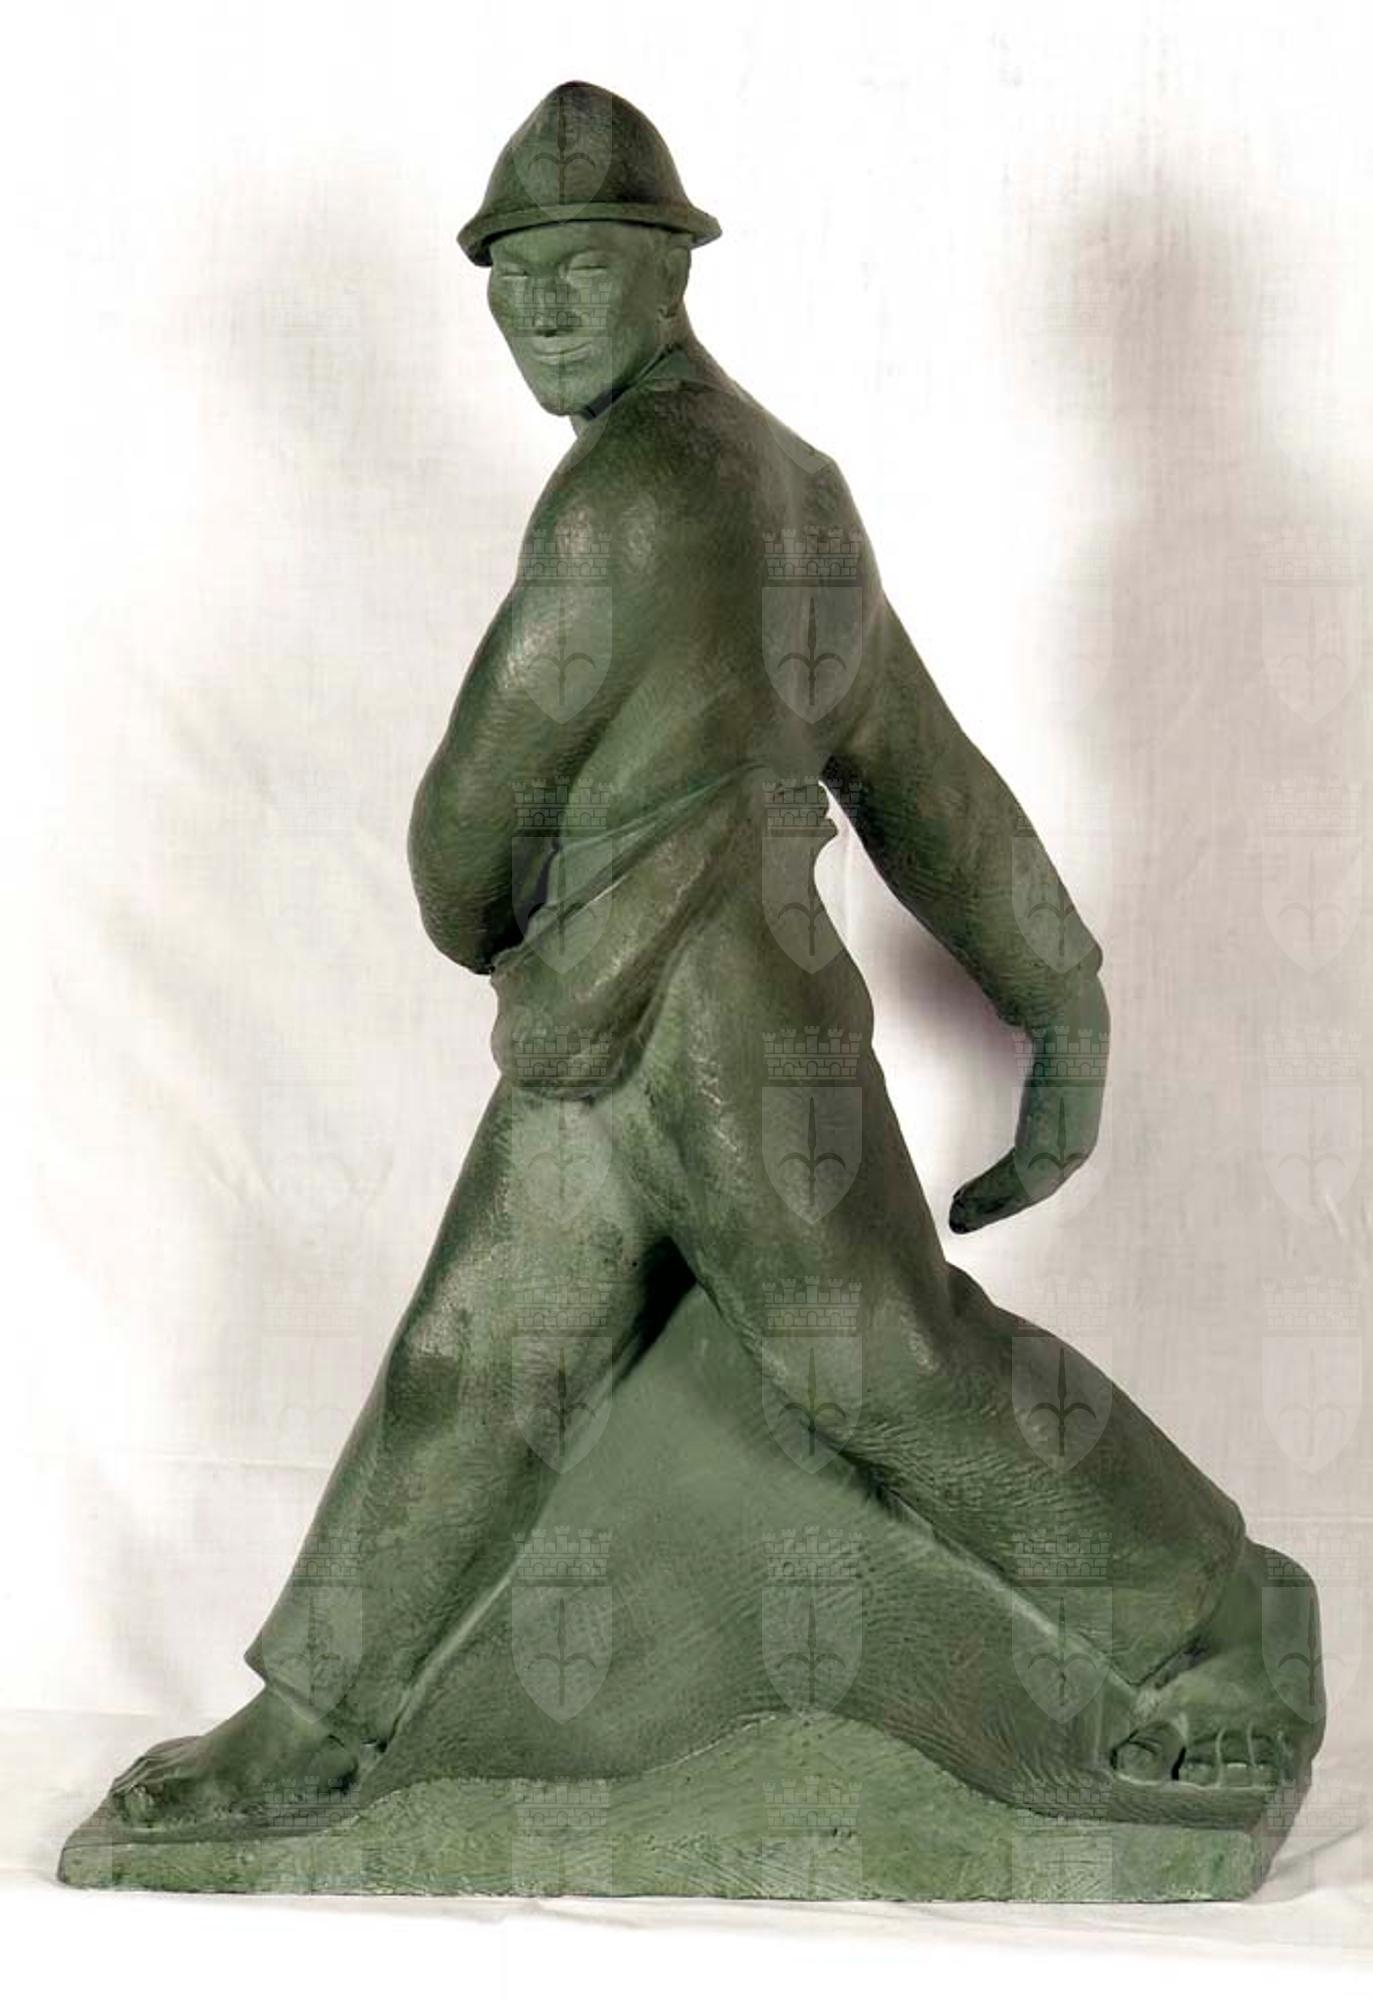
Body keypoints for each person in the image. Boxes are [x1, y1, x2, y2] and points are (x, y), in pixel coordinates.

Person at [106, 82, 1319, 1829]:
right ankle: (314, 1721)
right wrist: (1058, 993)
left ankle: (1217, 1627)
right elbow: (920, 774)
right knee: (485, 1354)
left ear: (669, 270)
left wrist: (485, 922)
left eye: (580, 266)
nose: (540, 307)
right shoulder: (795, 487)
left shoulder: (625, 493)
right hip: (622, 1023)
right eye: (512, 274)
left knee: (874, 1359)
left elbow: (466, 822)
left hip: (712, 1007)